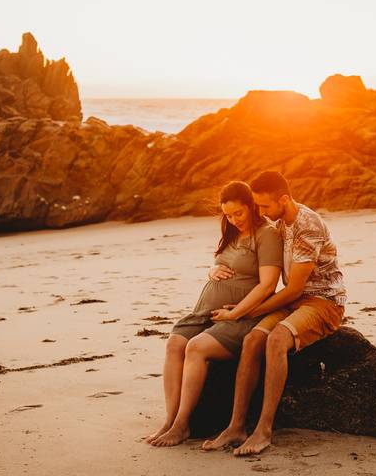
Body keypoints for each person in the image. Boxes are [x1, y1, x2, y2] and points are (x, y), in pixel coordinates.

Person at [202, 170, 346, 455]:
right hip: (293, 301)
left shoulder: (308, 226)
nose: (261, 212)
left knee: (276, 339)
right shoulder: (279, 222)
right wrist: (214, 268)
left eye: (265, 206)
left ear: (283, 199)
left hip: (323, 302)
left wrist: (245, 311)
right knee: (253, 340)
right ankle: (236, 426)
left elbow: (293, 290)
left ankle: (264, 430)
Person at [146, 181, 283, 447]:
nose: (233, 220)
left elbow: (267, 285)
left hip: (243, 315)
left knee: (195, 348)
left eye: (238, 214)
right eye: (228, 215)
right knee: (175, 343)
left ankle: (182, 424)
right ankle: (169, 419)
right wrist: (212, 271)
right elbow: (221, 262)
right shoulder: (232, 232)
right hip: (208, 311)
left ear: (252, 206)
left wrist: (236, 314)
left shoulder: (266, 234)